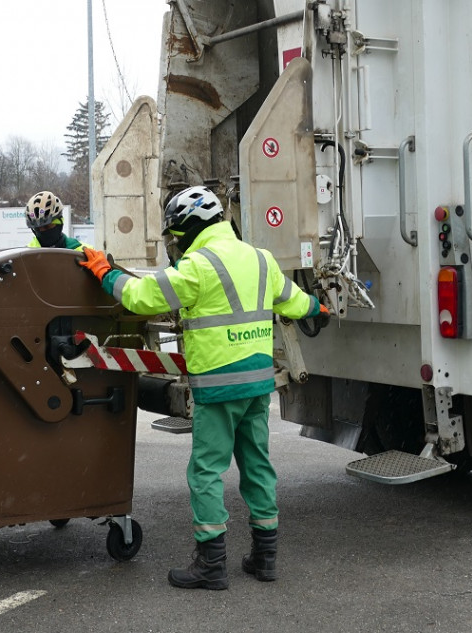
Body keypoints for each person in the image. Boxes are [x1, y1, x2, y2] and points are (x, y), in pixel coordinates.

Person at [78, 185, 328, 590]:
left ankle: (211, 564)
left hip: (218, 389)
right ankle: (265, 557)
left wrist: (105, 272)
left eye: (176, 236)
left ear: (190, 229)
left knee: (206, 472)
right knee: (258, 466)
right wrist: (319, 307)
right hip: (257, 385)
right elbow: (296, 302)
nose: (176, 244)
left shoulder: (198, 266)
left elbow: (141, 298)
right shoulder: (260, 259)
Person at [24, 190, 89, 250]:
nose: (42, 231)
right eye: (37, 229)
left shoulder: (82, 250)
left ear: (60, 222)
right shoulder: (26, 254)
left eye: (47, 226)